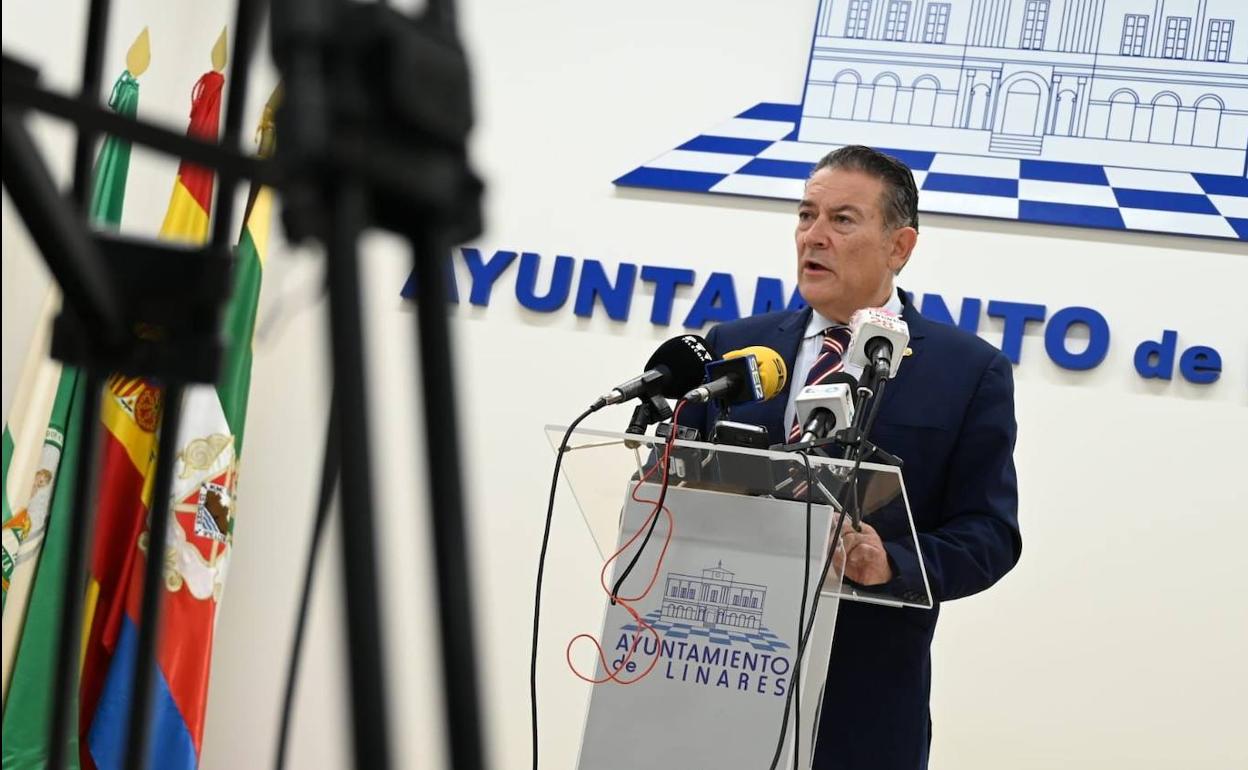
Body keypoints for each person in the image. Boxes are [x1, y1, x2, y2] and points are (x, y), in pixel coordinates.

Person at [676, 145, 1022, 769]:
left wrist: (890, 562)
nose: (814, 236)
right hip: (711, 668)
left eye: (842, 220)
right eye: (806, 215)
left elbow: (990, 534)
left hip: (862, 702)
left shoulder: (967, 371)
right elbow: (678, 484)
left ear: (899, 247)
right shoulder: (736, 348)